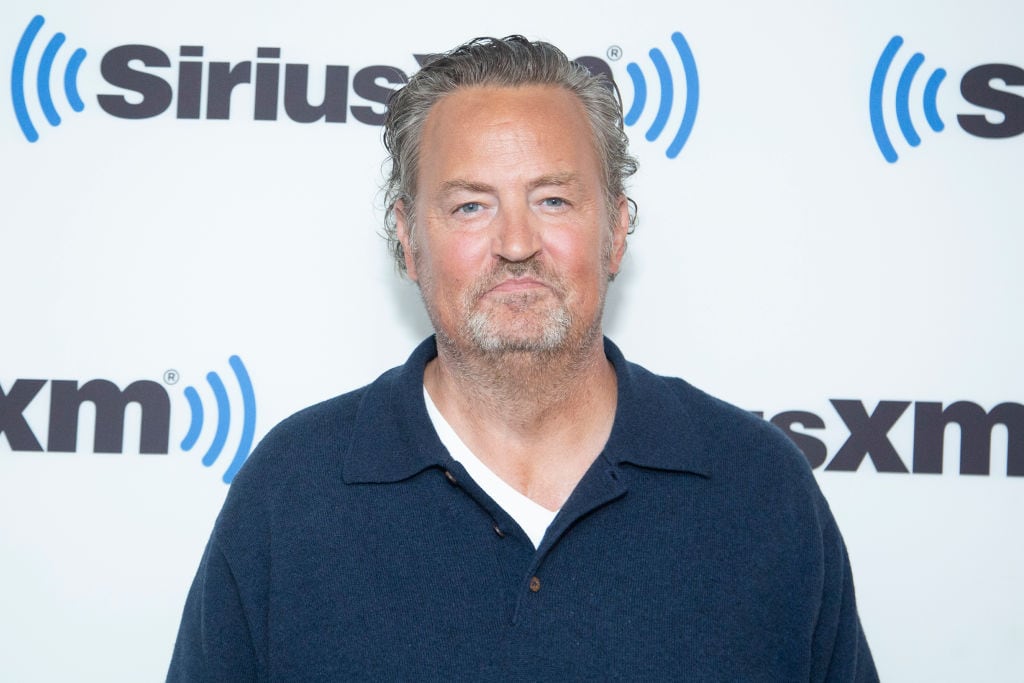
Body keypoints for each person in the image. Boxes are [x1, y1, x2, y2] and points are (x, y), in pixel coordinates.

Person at [167, 35, 877, 681]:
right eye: (471, 206)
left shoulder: (757, 487)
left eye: (554, 199)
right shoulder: (292, 493)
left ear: (617, 231)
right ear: (409, 241)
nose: (515, 243)